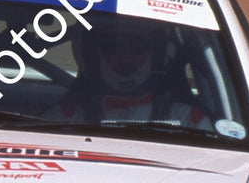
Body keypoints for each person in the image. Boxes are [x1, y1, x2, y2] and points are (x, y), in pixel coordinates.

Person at [49, 18, 213, 127]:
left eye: (137, 49)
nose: (125, 59)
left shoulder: (189, 120)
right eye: (111, 49)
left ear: (160, 55)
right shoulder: (64, 117)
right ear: (89, 55)